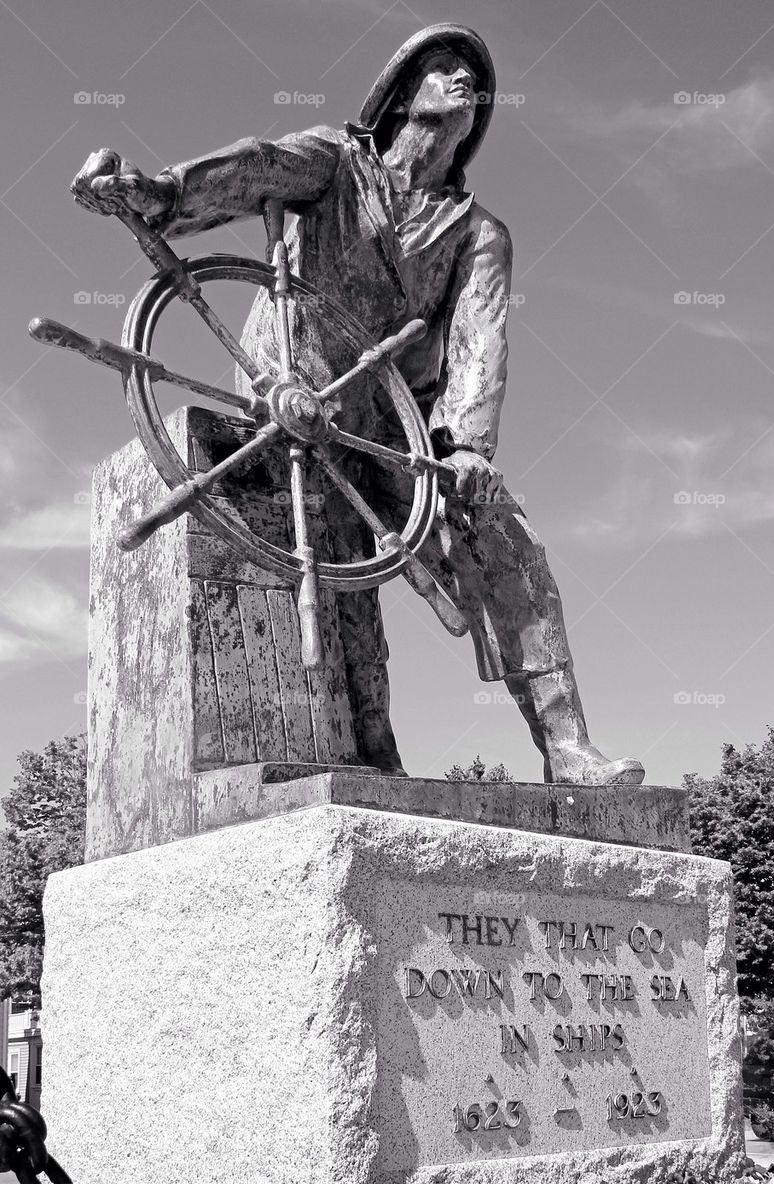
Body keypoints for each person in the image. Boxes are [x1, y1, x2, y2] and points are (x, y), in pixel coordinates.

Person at [71, 24, 644, 786]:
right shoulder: (339, 163)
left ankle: (567, 746)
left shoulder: (478, 232)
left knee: (503, 534)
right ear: (402, 94)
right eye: (445, 68)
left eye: (474, 76)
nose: (466, 80)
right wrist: (161, 194)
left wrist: (466, 444)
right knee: (334, 553)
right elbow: (256, 167)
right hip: (291, 392)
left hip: (393, 421)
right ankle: (369, 750)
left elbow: (479, 338)